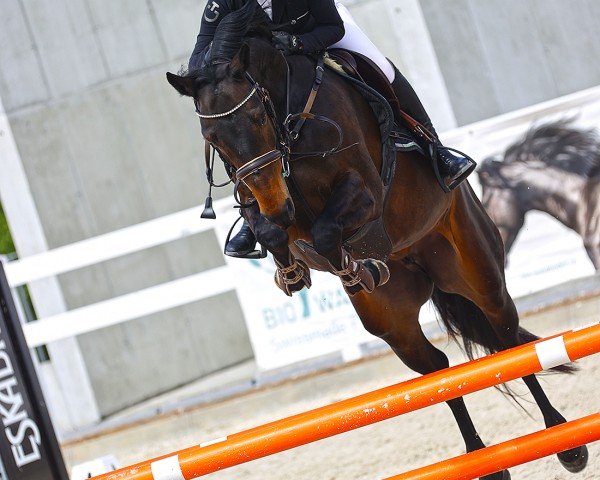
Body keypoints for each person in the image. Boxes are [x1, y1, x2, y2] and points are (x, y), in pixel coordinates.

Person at [189, 0, 476, 257]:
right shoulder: (223, 3)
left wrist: (297, 43)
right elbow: (197, 59)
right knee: (234, 122)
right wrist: (221, 61)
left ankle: (435, 149)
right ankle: (251, 213)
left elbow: (333, 28)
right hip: (270, 69)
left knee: (381, 68)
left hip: (318, 34)